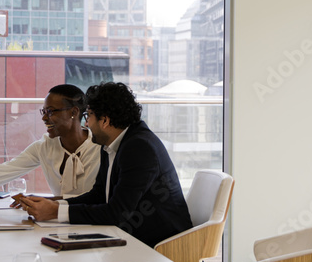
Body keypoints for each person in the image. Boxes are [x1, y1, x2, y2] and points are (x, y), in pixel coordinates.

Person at [13, 82, 192, 247]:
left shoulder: (139, 147)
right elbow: (98, 195)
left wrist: (55, 213)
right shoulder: (111, 144)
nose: (86, 124)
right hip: (129, 235)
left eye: (89, 116)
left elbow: (117, 213)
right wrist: (54, 204)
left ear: (105, 121)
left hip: (161, 245)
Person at [0, 84, 101, 200]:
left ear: (74, 112)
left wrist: (48, 202)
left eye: (50, 111)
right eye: (43, 112)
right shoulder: (44, 147)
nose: (43, 118)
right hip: (57, 225)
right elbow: (6, 170)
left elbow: (100, 199)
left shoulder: (101, 148)